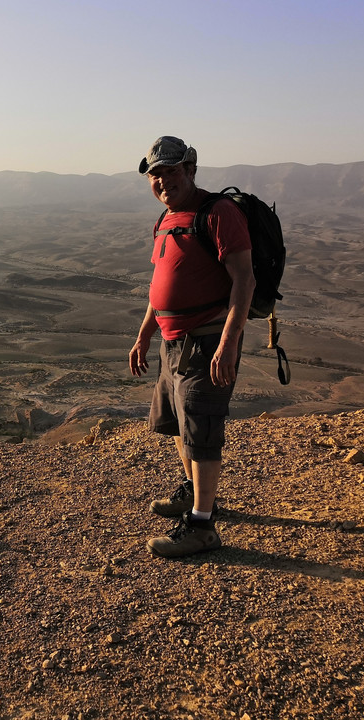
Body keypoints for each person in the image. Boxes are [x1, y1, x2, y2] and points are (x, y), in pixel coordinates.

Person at [129, 136, 255, 558]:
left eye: (170, 170)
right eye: (155, 174)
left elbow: (244, 281)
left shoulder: (218, 213)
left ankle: (202, 525)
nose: (162, 180)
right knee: (178, 426)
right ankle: (197, 495)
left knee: (201, 431)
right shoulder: (167, 219)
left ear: (191, 169)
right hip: (172, 343)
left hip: (206, 342)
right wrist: (145, 334)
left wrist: (228, 342)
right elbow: (158, 288)